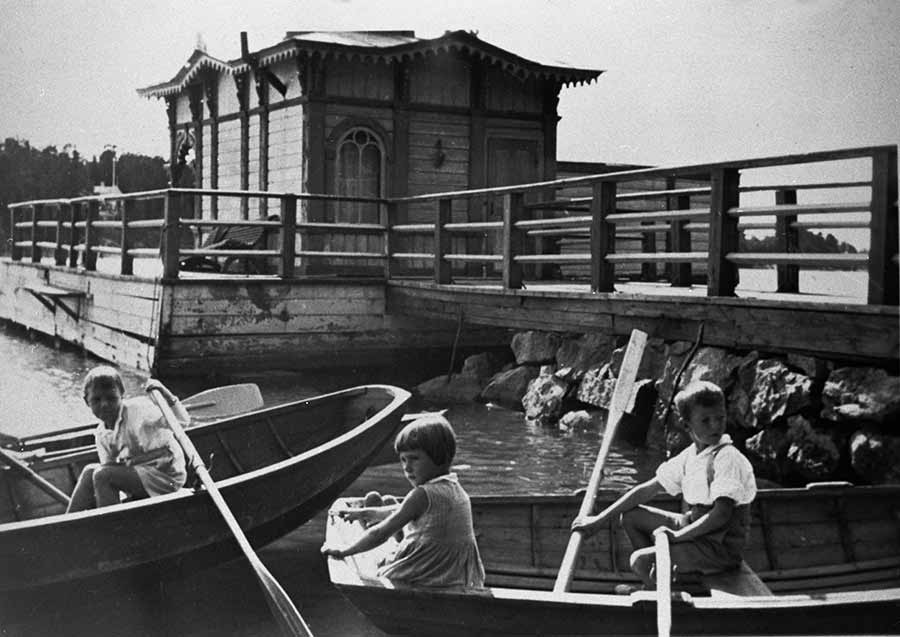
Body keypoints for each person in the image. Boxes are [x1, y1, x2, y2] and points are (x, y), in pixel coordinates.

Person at [571, 380, 757, 590]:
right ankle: (665, 579)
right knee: (631, 516)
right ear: (687, 426)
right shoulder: (690, 456)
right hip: (694, 527)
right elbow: (646, 490)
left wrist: (677, 537)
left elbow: (721, 515)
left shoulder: (727, 458)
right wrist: (599, 520)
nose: (715, 425)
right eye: (705, 420)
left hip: (719, 548)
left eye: (720, 418)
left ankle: (660, 589)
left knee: (640, 561)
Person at [321, 414, 485, 589]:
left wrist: (345, 551)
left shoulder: (422, 494)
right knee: (395, 511)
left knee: (378, 555)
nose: (407, 468)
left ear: (438, 456)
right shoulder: (453, 486)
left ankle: (398, 540)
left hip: (427, 572)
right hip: (457, 574)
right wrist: (363, 513)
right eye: (403, 460)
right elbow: (405, 510)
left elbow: (380, 533)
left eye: (414, 458)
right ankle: (399, 534)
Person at [66, 366, 188, 513]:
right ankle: (64, 528)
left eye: (111, 398)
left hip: (166, 475)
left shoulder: (139, 410)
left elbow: (181, 422)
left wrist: (166, 394)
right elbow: (108, 468)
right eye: (96, 400)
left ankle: (113, 527)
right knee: (90, 471)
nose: (104, 405)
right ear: (87, 401)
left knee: (102, 475)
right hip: (140, 474)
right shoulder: (101, 434)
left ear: (122, 395)